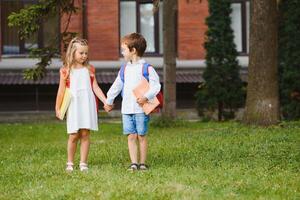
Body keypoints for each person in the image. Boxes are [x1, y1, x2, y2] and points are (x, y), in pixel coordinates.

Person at [104, 33, 161, 171]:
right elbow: (117, 86)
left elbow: (156, 86)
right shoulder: (124, 69)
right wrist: (109, 100)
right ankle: (134, 163)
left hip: (141, 109)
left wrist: (146, 97)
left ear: (133, 50)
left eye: (124, 49)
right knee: (131, 136)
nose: (122, 52)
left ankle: (142, 163)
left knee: (141, 135)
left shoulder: (147, 68)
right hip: (127, 109)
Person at [55, 37, 107, 172]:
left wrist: (105, 101)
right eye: (81, 53)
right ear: (73, 53)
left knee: (85, 133)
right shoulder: (65, 70)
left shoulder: (90, 69)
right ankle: (70, 163)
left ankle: (83, 163)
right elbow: (61, 90)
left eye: (86, 53)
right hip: (73, 105)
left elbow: (95, 87)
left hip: (87, 104)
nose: (84, 56)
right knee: (73, 134)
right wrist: (58, 107)